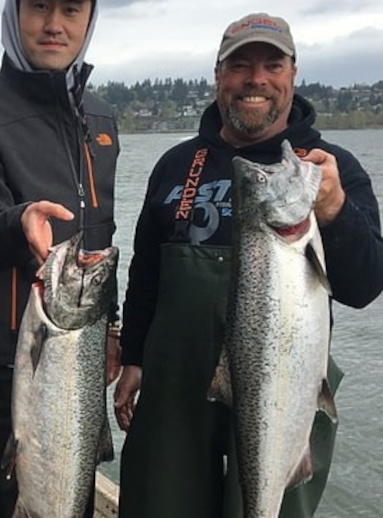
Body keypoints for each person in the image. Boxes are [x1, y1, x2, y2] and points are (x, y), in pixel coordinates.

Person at [114, 12, 383, 518]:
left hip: (286, 383)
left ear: (292, 75)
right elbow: (147, 272)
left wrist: (333, 211)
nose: (255, 79)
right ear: (219, 76)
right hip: (174, 391)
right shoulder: (175, 164)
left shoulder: (332, 169)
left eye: (271, 64)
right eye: (240, 65)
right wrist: (133, 357)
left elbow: (364, 285)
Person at [0, 0, 120, 516]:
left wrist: (112, 328)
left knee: (69, 499)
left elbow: (102, 235)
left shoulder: (100, 118)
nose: (55, 24)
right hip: (3, 362)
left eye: (71, 9)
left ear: (90, 18)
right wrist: (18, 223)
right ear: (14, 16)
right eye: (39, 7)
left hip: (79, 349)